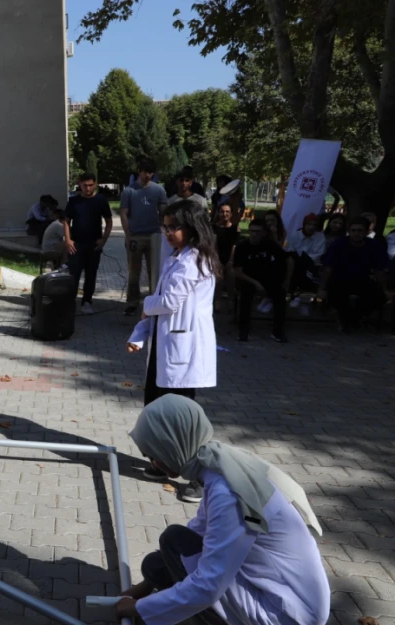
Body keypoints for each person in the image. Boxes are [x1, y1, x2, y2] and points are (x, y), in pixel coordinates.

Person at [115, 396, 329, 625]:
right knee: (156, 564)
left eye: (155, 454)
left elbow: (208, 586)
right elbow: (200, 530)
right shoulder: (219, 464)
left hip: (286, 613)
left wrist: (138, 609)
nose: (154, 463)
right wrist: (143, 588)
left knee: (174, 542)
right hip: (286, 596)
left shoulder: (228, 493)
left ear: (174, 444)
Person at [126, 199, 219, 502]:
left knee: (184, 419)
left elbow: (167, 302)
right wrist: (140, 333)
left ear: (191, 227)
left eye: (174, 227)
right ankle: (164, 462)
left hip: (186, 351)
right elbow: (158, 305)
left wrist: (144, 306)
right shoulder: (177, 257)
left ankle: (202, 477)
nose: (167, 232)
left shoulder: (194, 260)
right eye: (164, 226)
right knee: (156, 409)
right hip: (167, 349)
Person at [318, 217, 391, 333]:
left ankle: (354, 318)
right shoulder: (338, 244)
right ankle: (346, 319)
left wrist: (385, 289)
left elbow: (379, 270)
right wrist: (321, 288)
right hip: (339, 280)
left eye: (360, 230)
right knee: (335, 296)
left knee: (379, 296)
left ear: (367, 232)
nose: (356, 233)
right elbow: (328, 268)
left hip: (362, 280)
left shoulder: (373, 245)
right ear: (349, 231)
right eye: (353, 230)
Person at [120, 158, 170, 315]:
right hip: (136, 235)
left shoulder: (159, 190)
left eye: (150, 172)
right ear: (139, 171)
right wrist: (128, 235)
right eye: (144, 172)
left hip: (154, 236)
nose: (147, 175)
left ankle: (153, 303)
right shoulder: (129, 191)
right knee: (134, 272)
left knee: (154, 272)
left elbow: (164, 212)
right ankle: (132, 302)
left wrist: (164, 231)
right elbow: (123, 214)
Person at [64, 172, 113, 315]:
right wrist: (67, 240)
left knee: (91, 275)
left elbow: (109, 221)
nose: (87, 188)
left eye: (90, 185)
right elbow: (66, 221)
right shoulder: (74, 201)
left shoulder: (100, 200)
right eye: (85, 185)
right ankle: (70, 302)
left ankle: (87, 301)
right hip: (76, 244)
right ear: (79, 184)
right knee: (74, 274)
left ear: (95, 184)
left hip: (94, 244)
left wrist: (104, 239)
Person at [232, 220, 288, 343]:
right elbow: (237, 271)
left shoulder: (270, 245)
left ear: (263, 233)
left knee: (280, 293)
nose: (254, 234)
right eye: (252, 231)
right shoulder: (242, 246)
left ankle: (278, 332)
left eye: (258, 232)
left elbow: (282, 262)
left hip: (267, 280)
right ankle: (243, 331)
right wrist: (256, 283)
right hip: (247, 279)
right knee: (246, 294)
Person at [284, 213, 326, 311]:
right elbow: (289, 250)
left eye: (314, 225)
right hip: (295, 264)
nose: (311, 227)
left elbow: (318, 254)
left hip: (311, 265)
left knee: (301, 265)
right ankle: (296, 296)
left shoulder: (320, 237)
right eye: (309, 224)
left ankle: (298, 296)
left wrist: (303, 259)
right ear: (304, 224)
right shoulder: (295, 235)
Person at [211, 202, 240, 312]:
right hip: (216, 256)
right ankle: (218, 301)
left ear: (231, 214)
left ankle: (231, 301)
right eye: (222, 211)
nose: (224, 214)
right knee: (218, 279)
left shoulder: (235, 228)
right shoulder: (213, 227)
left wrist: (231, 261)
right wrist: (216, 260)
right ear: (218, 213)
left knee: (231, 277)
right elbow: (213, 244)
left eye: (227, 211)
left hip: (231, 257)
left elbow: (234, 245)